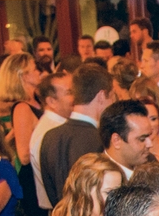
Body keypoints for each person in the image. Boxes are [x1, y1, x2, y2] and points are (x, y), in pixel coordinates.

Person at [39, 63, 111, 207]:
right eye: (112, 96)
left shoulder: (50, 136)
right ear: (102, 96)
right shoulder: (99, 138)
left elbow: (50, 190)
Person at [0, 52, 43, 216]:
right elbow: (23, 154)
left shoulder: (37, 100)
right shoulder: (22, 108)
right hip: (32, 176)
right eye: (34, 69)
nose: (39, 72)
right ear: (23, 75)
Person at [28, 72, 74, 216]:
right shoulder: (51, 131)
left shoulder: (60, 126)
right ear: (51, 101)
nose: (76, 96)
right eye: (69, 92)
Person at [98, 99, 154, 180]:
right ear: (116, 140)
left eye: (149, 136)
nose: (150, 144)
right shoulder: (98, 180)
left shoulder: (151, 163)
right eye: (142, 139)